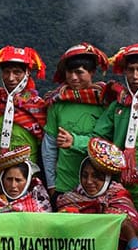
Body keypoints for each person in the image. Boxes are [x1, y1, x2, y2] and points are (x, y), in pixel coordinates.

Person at [43, 43, 113, 194]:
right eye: (69, 72)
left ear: (92, 72)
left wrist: (74, 141)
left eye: (79, 72)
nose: (73, 78)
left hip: (97, 187)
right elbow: (49, 148)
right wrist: (51, 185)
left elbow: (109, 145)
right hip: (64, 186)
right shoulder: (58, 103)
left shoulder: (106, 102)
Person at [0, 46, 49, 186]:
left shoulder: (38, 108)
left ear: (27, 74)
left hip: (25, 181)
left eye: (17, 72)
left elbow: (45, 150)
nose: (11, 78)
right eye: (7, 72)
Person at [54, 138, 138, 240]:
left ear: (107, 179)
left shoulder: (119, 197)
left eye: (96, 177)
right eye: (84, 175)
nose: (89, 181)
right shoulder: (70, 199)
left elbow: (134, 228)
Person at [0, 146, 52, 213]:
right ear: (2, 180)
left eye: (18, 180)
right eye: (9, 179)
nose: (13, 185)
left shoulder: (39, 205)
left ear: (27, 181)